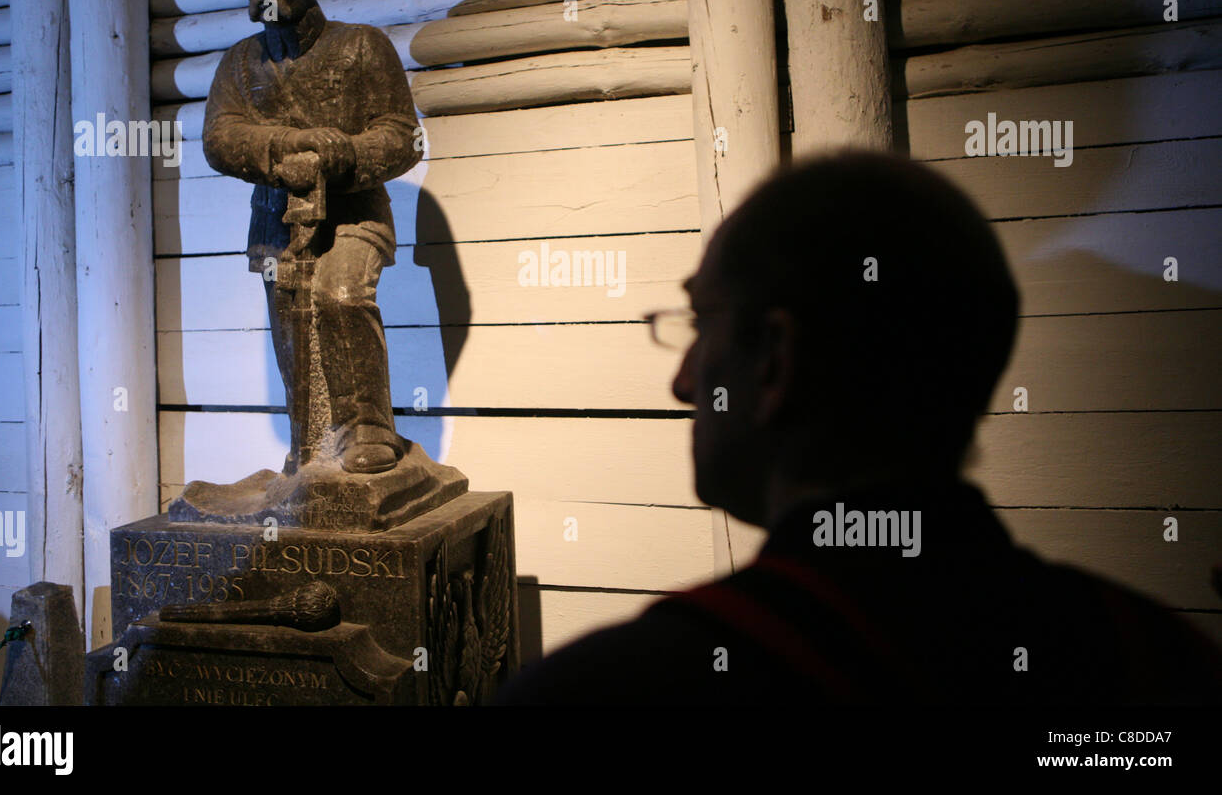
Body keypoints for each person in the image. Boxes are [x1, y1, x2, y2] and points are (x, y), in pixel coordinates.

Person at [495, 151, 1222, 704]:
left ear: (775, 358)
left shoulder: (619, 689)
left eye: (701, 321)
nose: (682, 380)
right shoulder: (1156, 660)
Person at [202, 0, 418, 476]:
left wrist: (340, 153)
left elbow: (400, 134)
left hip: (353, 213)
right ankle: (312, 444)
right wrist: (283, 146)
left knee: (339, 295)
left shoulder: (363, 44)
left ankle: (366, 425)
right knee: (291, 326)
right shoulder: (239, 62)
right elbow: (221, 137)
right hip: (277, 219)